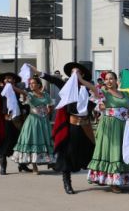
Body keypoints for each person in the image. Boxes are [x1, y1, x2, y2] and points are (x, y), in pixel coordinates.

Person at [33, 63, 96, 195]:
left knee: (91, 152)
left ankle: (98, 177)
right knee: (67, 154)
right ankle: (67, 183)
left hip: (86, 127)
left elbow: (97, 93)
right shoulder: (67, 87)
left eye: (77, 72)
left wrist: (82, 81)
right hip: (72, 126)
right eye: (72, 72)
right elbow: (54, 80)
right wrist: (39, 73)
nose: (74, 74)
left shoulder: (88, 88)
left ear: (83, 74)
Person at [86, 71, 129, 191]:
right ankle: (113, 181)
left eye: (111, 79)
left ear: (116, 81)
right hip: (110, 126)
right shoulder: (103, 93)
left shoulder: (126, 94)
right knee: (114, 152)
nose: (108, 81)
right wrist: (79, 77)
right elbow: (92, 88)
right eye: (106, 79)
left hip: (124, 126)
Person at [0, 72, 29, 175]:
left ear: (14, 80)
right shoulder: (2, 90)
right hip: (7, 121)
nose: (8, 80)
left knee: (20, 144)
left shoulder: (17, 91)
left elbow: (22, 101)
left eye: (10, 78)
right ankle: (3, 167)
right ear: (3, 81)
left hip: (17, 121)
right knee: (4, 144)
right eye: (6, 79)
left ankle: (22, 165)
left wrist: (24, 107)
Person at [11, 76, 55, 174]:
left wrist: (48, 112)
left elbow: (51, 105)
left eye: (33, 83)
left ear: (39, 85)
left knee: (46, 140)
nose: (31, 85)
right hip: (33, 122)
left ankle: (50, 162)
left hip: (44, 122)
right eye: (30, 83)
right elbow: (23, 92)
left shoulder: (45, 95)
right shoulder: (30, 95)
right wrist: (12, 86)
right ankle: (34, 166)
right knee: (34, 141)